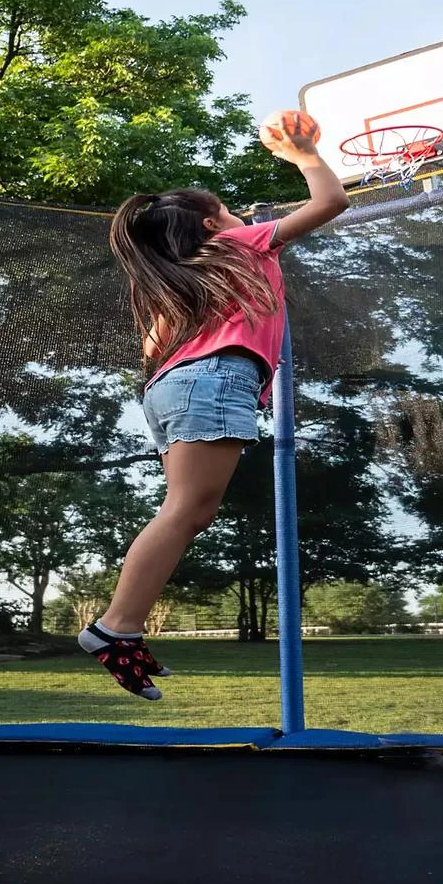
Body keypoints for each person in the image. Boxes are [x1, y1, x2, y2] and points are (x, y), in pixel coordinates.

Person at [78, 119, 348, 698]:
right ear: (210, 224)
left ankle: (121, 628)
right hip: (213, 379)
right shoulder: (231, 245)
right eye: (228, 213)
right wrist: (304, 155)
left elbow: (155, 349)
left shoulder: (174, 280)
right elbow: (331, 201)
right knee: (185, 511)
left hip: (170, 389)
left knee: (189, 513)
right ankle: (113, 627)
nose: (239, 222)